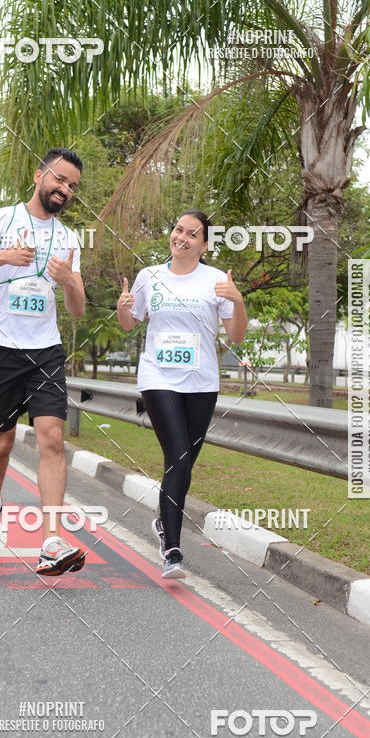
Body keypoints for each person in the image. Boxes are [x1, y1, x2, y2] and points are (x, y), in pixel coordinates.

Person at [0, 148, 87, 575]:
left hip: (45, 348)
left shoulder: (69, 238)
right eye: (60, 180)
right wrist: (2, 258)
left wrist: (68, 282)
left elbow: (79, 309)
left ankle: (51, 541)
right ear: (38, 175)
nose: (64, 189)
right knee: (4, 441)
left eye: (72, 186)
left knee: (51, 438)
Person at [117, 210, 248, 579]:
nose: (183, 237)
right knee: (176, 456)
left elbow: (236, 336)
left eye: (193, 234)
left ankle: (164, 522)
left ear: (204, 244)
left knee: (185, 462)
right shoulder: (149, 277)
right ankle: (173, 549)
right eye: (178, 230)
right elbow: (131, 324)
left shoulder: (216, 280)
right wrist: (121, 308)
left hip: (202, 382)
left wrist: (238, 300)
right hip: (158, 378)